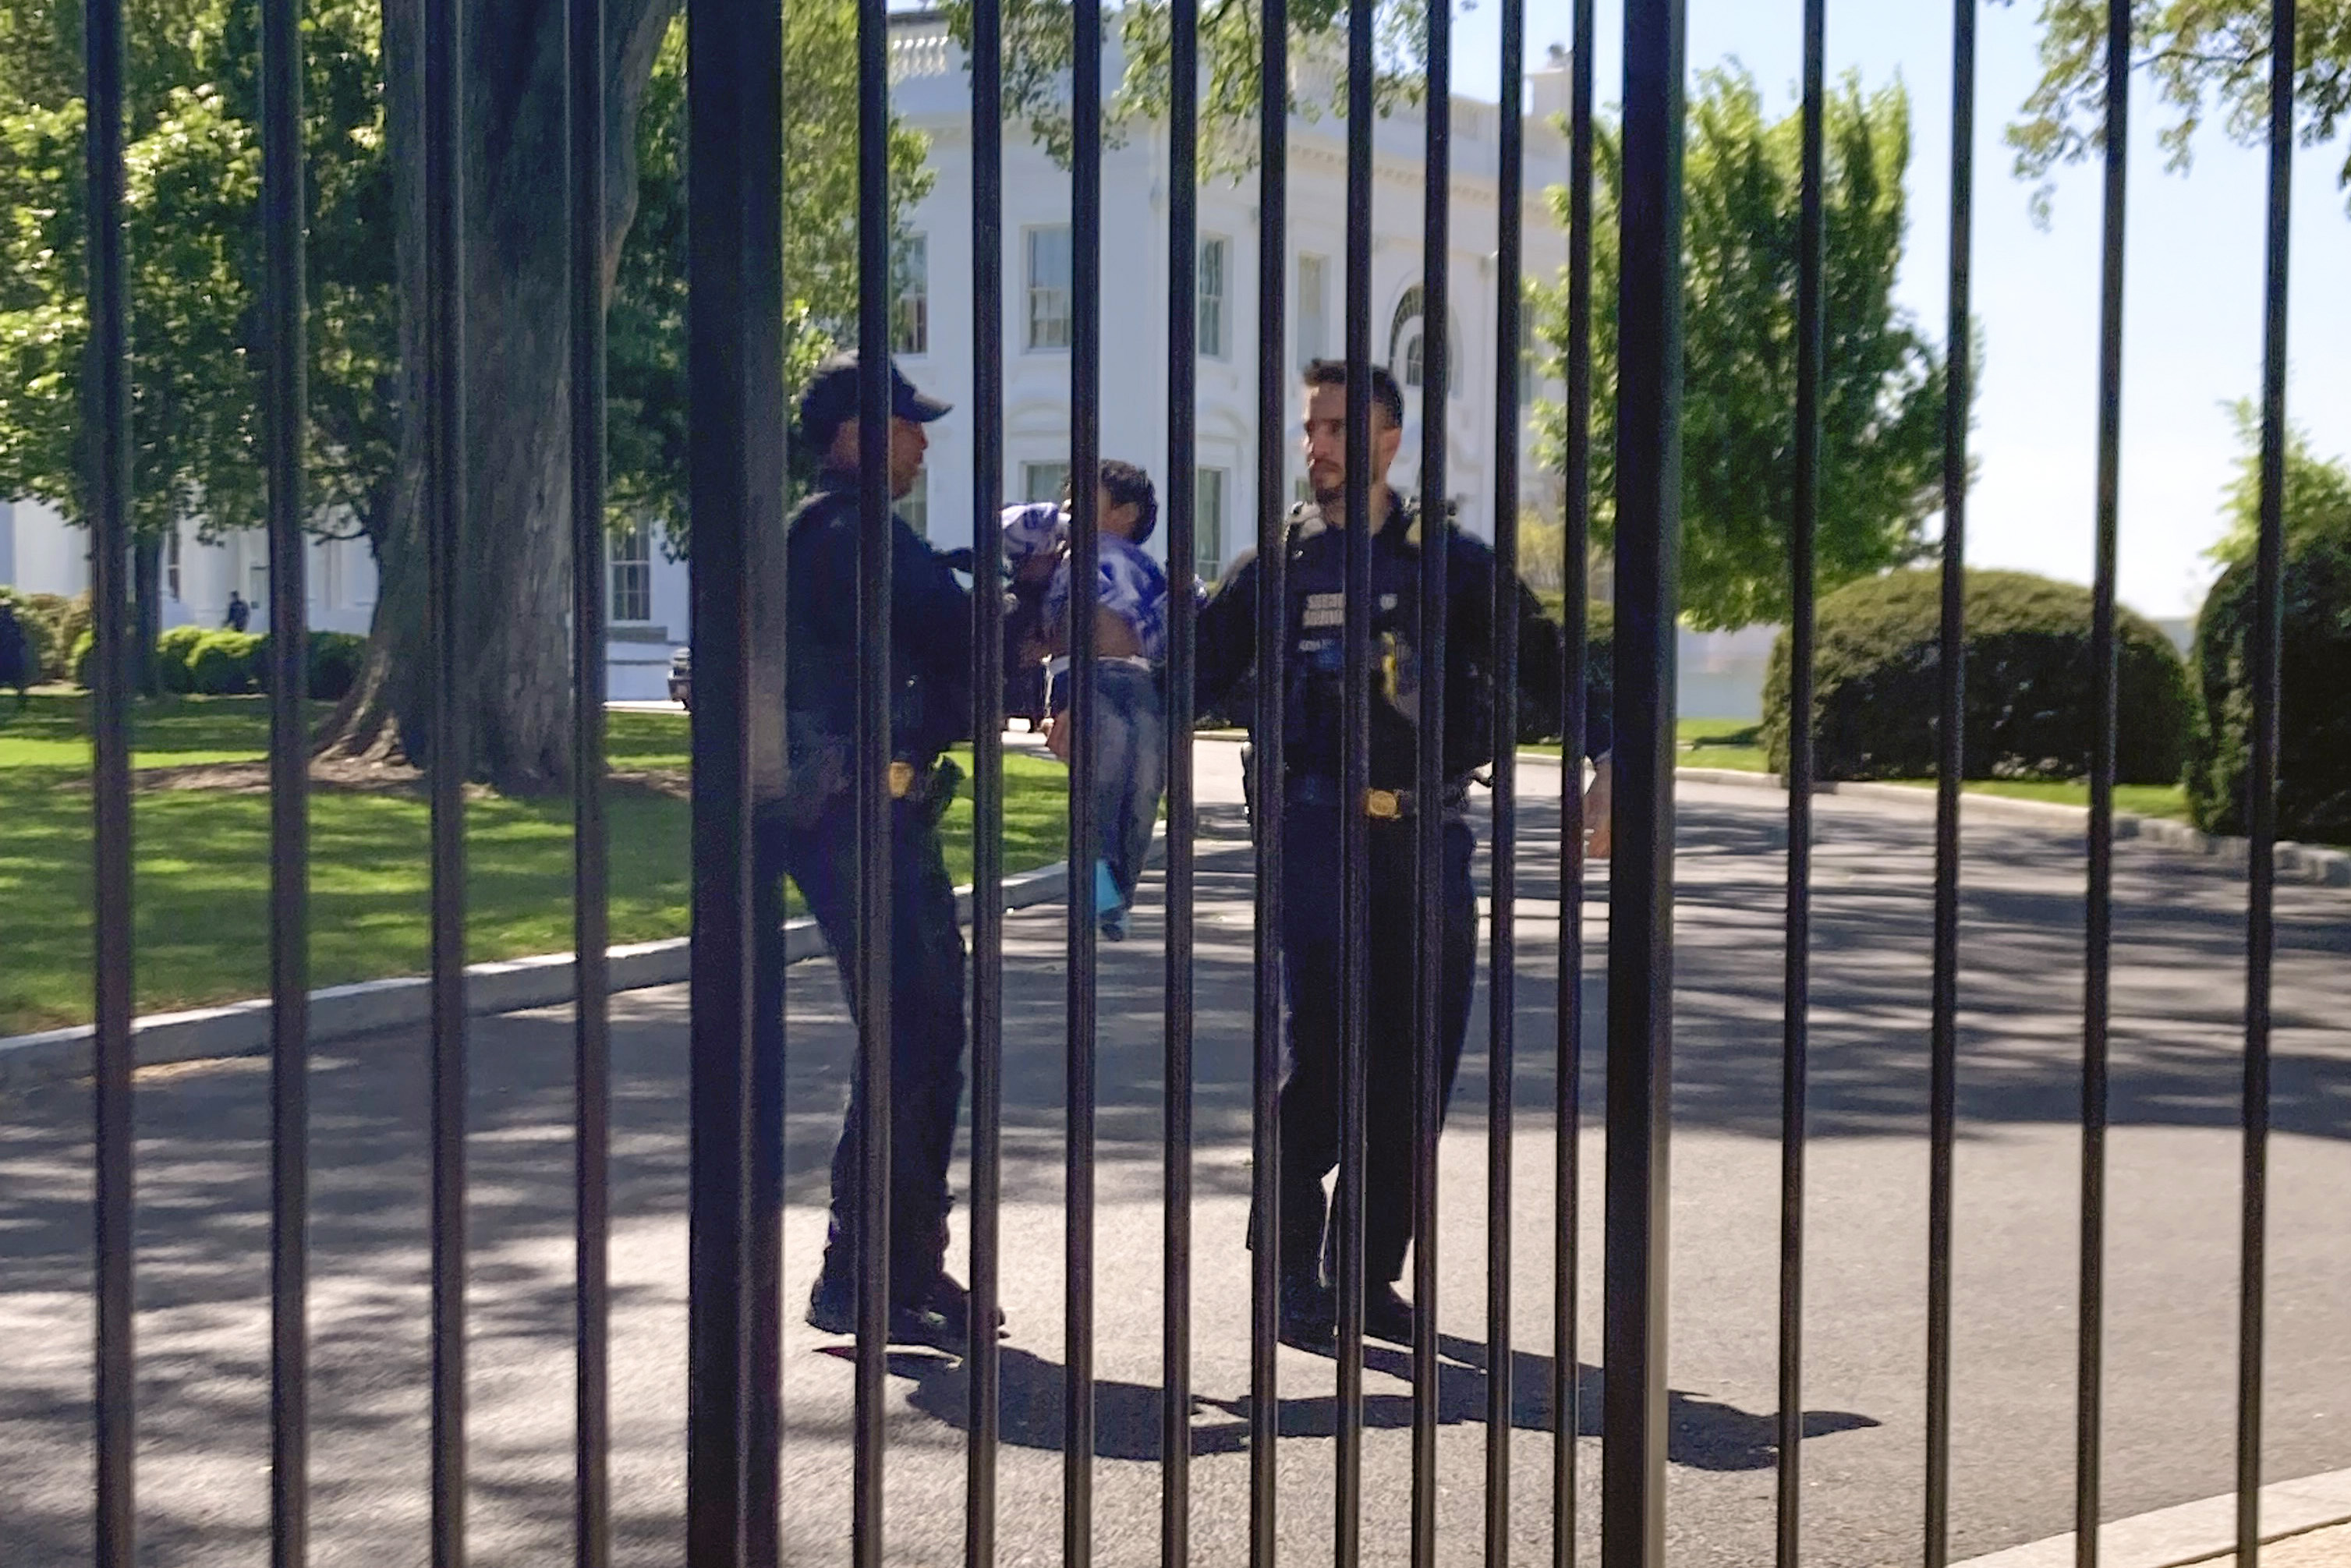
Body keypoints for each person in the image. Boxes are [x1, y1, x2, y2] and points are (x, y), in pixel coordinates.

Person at [1195, 359, 1614, 1350]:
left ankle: (1366, 1273)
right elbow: (1192, 672)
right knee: (1321, 1060)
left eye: (1339, 428)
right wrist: (1097, 707)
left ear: (1389, 436)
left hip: (1427, 835)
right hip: (1311, 833)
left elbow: (1546, 661)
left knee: (1416, 1064)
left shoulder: (1452, 562)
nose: (1319, 446)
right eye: (1310, 428)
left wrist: (1611, 759)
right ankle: (1292, 1265)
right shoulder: (1278, 566)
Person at [765, 351, 986, 1353]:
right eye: (908, 422)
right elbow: (962, 648)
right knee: (913, 1029)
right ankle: (856, 1269)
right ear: (857, 432)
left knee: (928, 1026)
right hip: (854, 817)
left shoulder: (837, 538)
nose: (923, 440)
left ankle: (900, 1256)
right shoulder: (853, 539)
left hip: (873, 815)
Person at [1003, 462, 1170, 940]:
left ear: (1126, 513)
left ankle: (1119, 894)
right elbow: (1003, 528)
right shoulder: (1066, 556)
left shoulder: (1140, 566)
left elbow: (1173, 624)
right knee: (1102, 783)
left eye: (1084, 501)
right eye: (1068, 501)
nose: (1071, 509)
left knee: (1143, 790)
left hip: (1138, 681)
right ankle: (1096, 897)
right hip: (1085, 678)